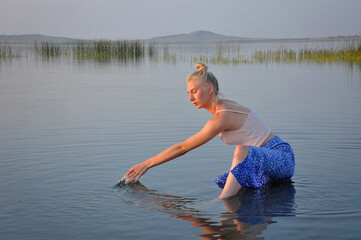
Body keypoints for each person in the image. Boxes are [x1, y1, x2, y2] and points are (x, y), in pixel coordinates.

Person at [123, 63, 295, 199]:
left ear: (210, 89)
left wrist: (146, 164)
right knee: (222, 180)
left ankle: (223, 201)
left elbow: (183, 148)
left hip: (282, 158)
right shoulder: (222, 108)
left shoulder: (222, 117)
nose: (190, 98)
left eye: (195, 92)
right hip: (264, 165)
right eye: (188, 93)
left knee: (241, 150)